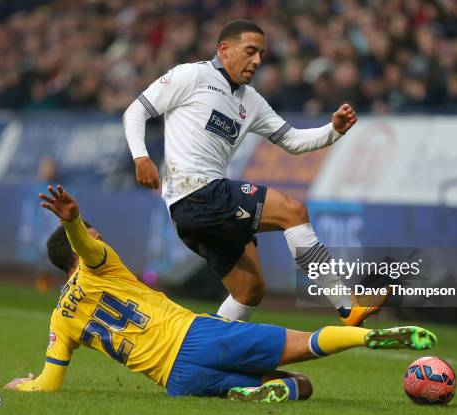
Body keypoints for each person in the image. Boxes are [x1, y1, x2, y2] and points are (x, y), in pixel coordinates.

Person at [4, 185, 437, 402]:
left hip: (177, 381)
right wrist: (73, 222)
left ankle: (243, 395)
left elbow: (50, 381)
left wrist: (24, 386)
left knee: (300, 388)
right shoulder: (99, 264)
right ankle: (367, 336)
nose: (100, 239)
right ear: (77, 251)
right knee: (304, 347)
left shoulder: (60, 319)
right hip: (196, 336)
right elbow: (86, 246)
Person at [123, 19, 389, 326]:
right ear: (224, 49)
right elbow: (136, 111)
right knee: (292, 211)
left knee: (249, 291)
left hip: (198, 209)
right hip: (197, 192)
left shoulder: (252, 101)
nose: (258, 61)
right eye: (250, 51)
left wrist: (334, 130)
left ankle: (206, 354)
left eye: (261, 54)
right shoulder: (192, 75)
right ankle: (347, 306)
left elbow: (293, 141)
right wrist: (141, 157)